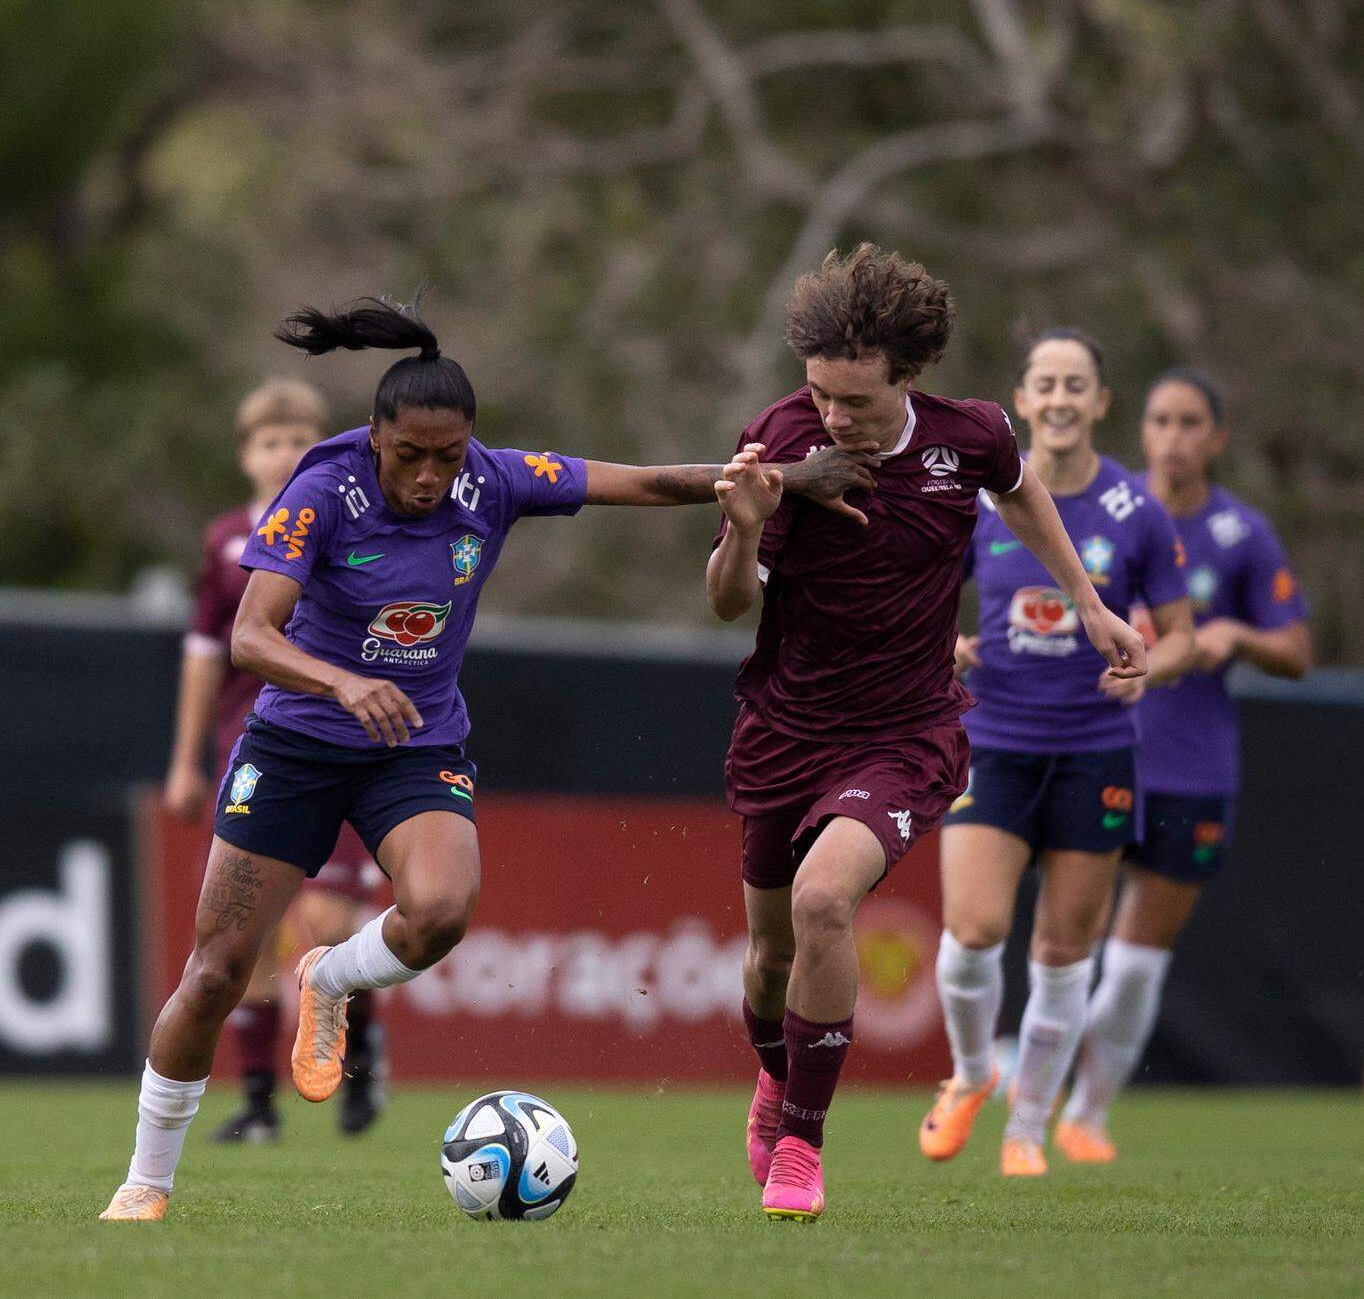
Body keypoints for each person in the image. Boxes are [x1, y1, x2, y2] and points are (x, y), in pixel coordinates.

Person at [100, 295, 878, 1221]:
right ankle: (146, 1177)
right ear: (375, 437)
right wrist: (342, 684)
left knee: (440, 912)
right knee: (218, 970)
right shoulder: (323, 489)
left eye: (450, 454)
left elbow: (648, 482)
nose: (431, 476)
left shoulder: (495, 481)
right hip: (298, 741)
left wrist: (788, 475)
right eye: (410, 455)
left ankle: (330, 977)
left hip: (414, 742)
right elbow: (250, 636)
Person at [707, 251, 1148, 1223]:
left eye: (854, 400)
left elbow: (1020, 490)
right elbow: (725, 604)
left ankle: (801, 1148)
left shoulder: (971, 437)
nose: (831, 416)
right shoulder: (780, 436)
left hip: (904, 733)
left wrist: (1086, 603)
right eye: (820, 392)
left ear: (908, 379)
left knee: (825, 902)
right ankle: (776, 1080)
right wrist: (740, 530)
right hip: (783, 730)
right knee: (768, 958)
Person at [920, 328, 1195, 1178]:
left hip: (1095, 752)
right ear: (1026, 399)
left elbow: (1180, 635)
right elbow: (925, 601)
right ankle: (972, 1075)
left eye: (1078, 383)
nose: (1063, 397)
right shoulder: (981, 504)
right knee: (972, 930)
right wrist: (949, 646)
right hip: (994, 742)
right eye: (1047, 383)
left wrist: (1151, 667)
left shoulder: (1135, 512)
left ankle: (1027, 1127)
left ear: (1101, 402)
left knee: (1063, 952)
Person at [1055, 369, 1310, 1161]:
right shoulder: (1109, 512)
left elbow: (1297, 649)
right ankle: (1023, 1083)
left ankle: (1087, 1114)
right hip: (1099, 750)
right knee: (1068, 941)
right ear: (1143, 431)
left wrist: (1236, 634)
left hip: (1193, 768)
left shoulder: (1241, 534)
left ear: (1216, 437)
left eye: (1190, 421)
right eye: (1160, 419)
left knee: (1132, 968)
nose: (1173, 435)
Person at [163, 379, 389, 1143]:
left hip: (341, 742)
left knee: (326, 920)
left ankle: (360, 1045)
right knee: (245, 932)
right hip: (251, 750)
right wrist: (187, 760)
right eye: (269, 441)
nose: (285, 452)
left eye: (299, 438)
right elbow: (203, 654)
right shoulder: (228, 541)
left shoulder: (352, 523)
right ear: (246, 456)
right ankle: (259, 1101)